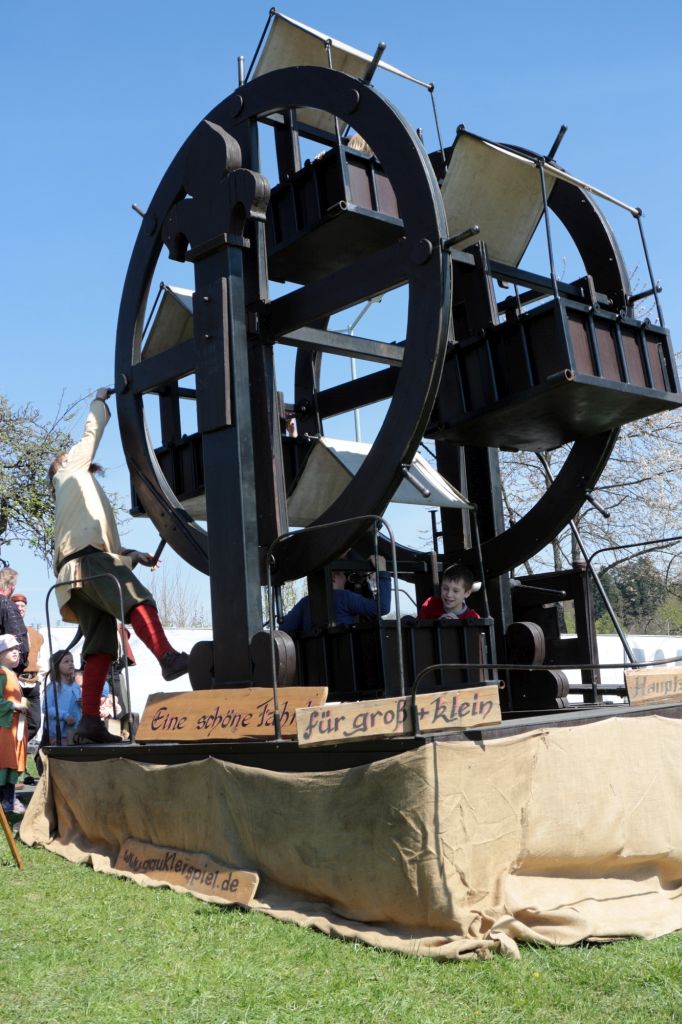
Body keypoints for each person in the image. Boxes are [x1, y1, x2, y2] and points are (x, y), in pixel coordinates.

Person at [49, 387, 189, 744]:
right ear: (63, 463)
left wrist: (134, 556)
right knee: (137, 598)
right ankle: (168, 657)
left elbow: (102, 545)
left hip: (74, 578)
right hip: (89, 565)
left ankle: (90, 722)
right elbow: (90, 436)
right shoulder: (70, 470)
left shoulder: (71, 501)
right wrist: (98, 400)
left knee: (99, 647)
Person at [280, 556, 391, 634]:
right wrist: (382, 571)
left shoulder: (305, 602)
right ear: (333, 576)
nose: (346, 580)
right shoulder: (344, 597)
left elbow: (284, 628)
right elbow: (383, 607)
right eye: (344, 575)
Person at [0, 634, 28, 815]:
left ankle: (9, 800)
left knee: (11, 764)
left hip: (13, 729)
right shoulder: (1, 674)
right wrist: (14, 705)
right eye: (11, 649)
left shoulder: (11, 674)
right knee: (4, 764)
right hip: (4, 728)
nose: (16, 652)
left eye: (17, 649)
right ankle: (6, 801)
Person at [11, 593, 44, 748]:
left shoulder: (35, 634)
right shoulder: (5, 631)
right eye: (17, 606)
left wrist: (41, 675)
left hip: (32, 682)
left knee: (35, 723)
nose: (20, 609)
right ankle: (12, 754)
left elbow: (41, 657)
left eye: (23, 606)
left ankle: (17, 748)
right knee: (14, 723)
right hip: (15, 681)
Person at [42, 650, 82, 746]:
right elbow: (46, 708)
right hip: (58, 733)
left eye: (72, 661)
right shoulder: (53, 687)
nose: (71, 664)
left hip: (75, 731)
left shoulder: (76, 687)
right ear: (56, 666)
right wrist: (64, 716)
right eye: (66, 661)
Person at [0, 568, 28, 673]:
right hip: (4, 672)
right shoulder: (7, 605)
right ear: (12, 586)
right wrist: (19, 665)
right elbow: (19, 639)